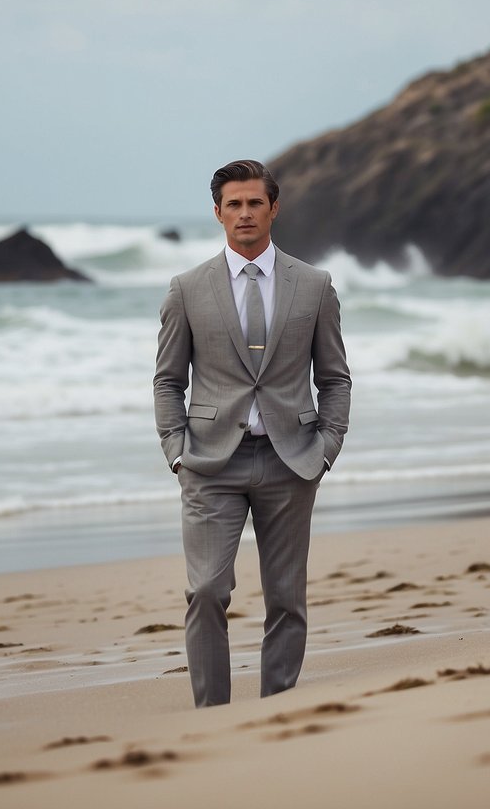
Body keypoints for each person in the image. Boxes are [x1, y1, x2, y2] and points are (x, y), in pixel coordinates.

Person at [153, 159, 351, 707]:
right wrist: (176, 451)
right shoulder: (187, 290)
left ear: (274, 208)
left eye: (254, 203)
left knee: (287, 598)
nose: (245, 213)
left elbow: (334, 376)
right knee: (208, 591)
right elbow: (167, 380)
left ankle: (277, 705)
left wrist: (327, 447)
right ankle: (212, 712)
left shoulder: (314, 286)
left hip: (292, 460)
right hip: (210, 463)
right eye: (233, 205)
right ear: (217, 213)